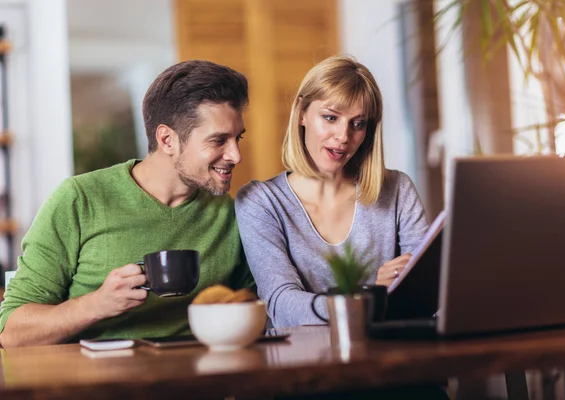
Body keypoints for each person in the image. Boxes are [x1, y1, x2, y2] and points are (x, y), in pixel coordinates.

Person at [0, 60, 254, 348]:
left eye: (237, 139)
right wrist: (96, 304)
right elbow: (12, 332)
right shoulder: (79, 200)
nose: (235, 155)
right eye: (219, 140)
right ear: (167, 139)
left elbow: (257, 308)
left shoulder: (233, 214)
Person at [235, 55, 429, 329]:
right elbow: (281, 305)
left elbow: (430, 296)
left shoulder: (398, 190)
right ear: (301, 113)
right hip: (303, 365)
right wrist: (368, 298)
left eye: (358, 124)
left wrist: (412, 281)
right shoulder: (261, 202)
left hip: (385, 359)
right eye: (330, 117)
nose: (343, 136)